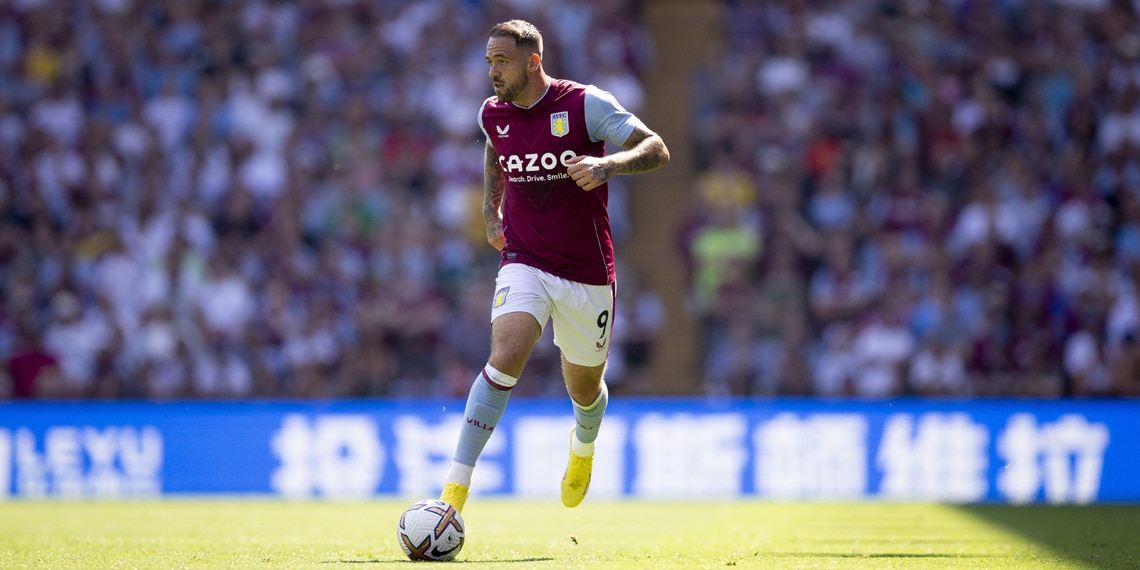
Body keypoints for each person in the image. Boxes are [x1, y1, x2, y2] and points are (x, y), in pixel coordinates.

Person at [439, 19, 670, 513]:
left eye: (502, 62)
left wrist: (608, 166)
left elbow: (657, 148)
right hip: (524, 257)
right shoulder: (491, 113)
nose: (493, 72)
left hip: (586, 270)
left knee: (585, 388)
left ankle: (583, 447)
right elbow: (494, 146)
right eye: (488, 62)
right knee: (505, 356)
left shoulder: (586, 104)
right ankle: (454, 491)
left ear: (533, 61)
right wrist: (489, 207)